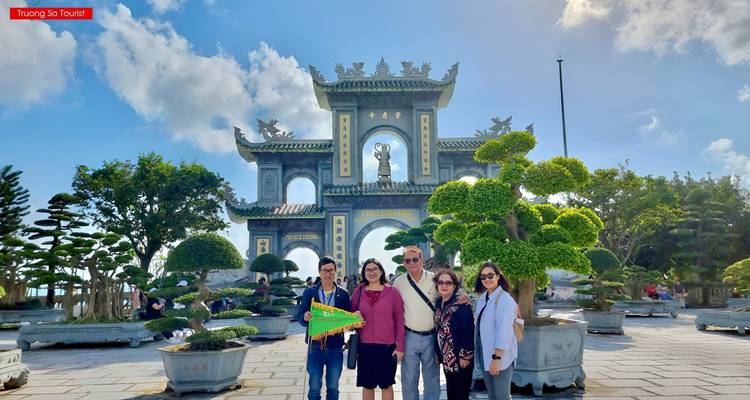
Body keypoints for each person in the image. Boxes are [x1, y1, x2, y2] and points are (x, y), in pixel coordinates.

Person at [298, 256, 352, 400]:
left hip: (335, 348)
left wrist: (353, 319)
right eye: (324, 270)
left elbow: (349, 318)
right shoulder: (310, 293)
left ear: (335, 271)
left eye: (331, 270)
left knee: (333, 387)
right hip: (315, 347)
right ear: (319, 272)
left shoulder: (343, 294)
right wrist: (305, 317)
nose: (328, 274)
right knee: (314, 388)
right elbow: (300, 316)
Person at [351, 258, 405, 400]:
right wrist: (354, 318)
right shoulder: (359, 292)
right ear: (364, 273)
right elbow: (349, 316)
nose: (372, 272)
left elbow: (400, 321)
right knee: (367, 385)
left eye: (375, 269)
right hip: (365, 346)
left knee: (386, 385)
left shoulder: (393, 292)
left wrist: (400, 348)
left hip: (387, 347)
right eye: (368, 269)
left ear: (381, 271)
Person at [391, 246, 440, 400]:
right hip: (409, 336)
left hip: (431, 336)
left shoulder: (435, 279)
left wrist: (462, 297)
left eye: (415, 259)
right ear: (403, 263)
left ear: (422, 260)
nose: (411, 263)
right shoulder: (399, 282)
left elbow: (450, 296)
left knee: (432, 380)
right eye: (407, 260)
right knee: (409, 380)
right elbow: (391, 308)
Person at [474, 261, 518, 400]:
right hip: (484, 353)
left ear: (498, 276)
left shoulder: (505, 300)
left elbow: (504, 332)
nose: (487, 279)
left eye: (490, 275)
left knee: (502, 396)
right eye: (483, 277)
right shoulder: (483, 298)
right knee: (492, 395)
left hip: (499, 356)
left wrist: (496, 359)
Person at [433, 269, 474, 400]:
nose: (444, 286)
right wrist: (438, 354)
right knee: (451, 393)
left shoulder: (462, 304)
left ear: (454, 286)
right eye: (441, 282)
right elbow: (438, 330)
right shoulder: (439, 304)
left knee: (461, 394)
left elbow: (468, 331)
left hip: (460, 358)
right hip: (447, 358)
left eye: (448, 283)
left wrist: (465, 356)